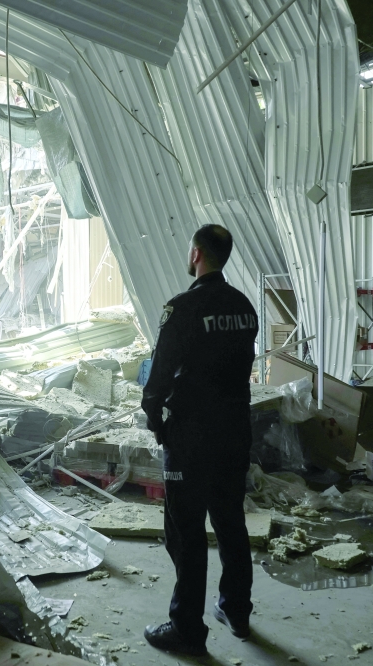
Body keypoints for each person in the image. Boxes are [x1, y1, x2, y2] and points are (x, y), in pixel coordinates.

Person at [141, 224, 259, 656]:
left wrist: (155, 419)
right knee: (230, 521)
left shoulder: (183, 308)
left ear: (196, 255)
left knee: (186, 532)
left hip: (192, 436)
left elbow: (158, 378)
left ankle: (186, 628)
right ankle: (236, 608)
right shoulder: (244, 306)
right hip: (235, 431)